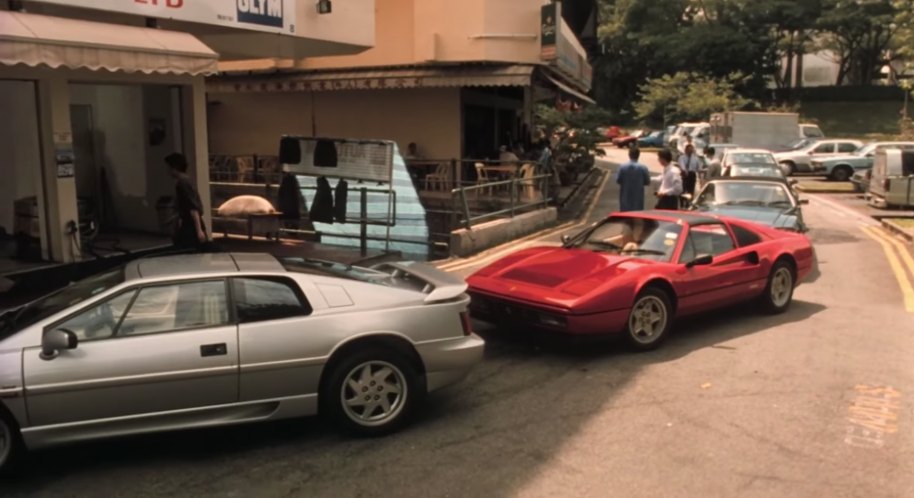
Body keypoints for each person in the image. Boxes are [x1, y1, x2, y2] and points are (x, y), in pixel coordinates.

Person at [166, 153, 207, 250]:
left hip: (190, 225)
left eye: (169, 168)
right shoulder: (186, 180)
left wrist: (199, 230)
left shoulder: (182, 183)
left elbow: (192, 207)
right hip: (188, 223)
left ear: (175, 167)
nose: (167, 171)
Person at [616, 146, 651, 211]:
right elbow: (647, 182)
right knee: (637, 215)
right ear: (638, 155)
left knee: (625, 216)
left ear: (629, 155)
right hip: (638, 197)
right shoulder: (643, 168)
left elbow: (618, 180)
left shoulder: (622, 167)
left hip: (625, 196)